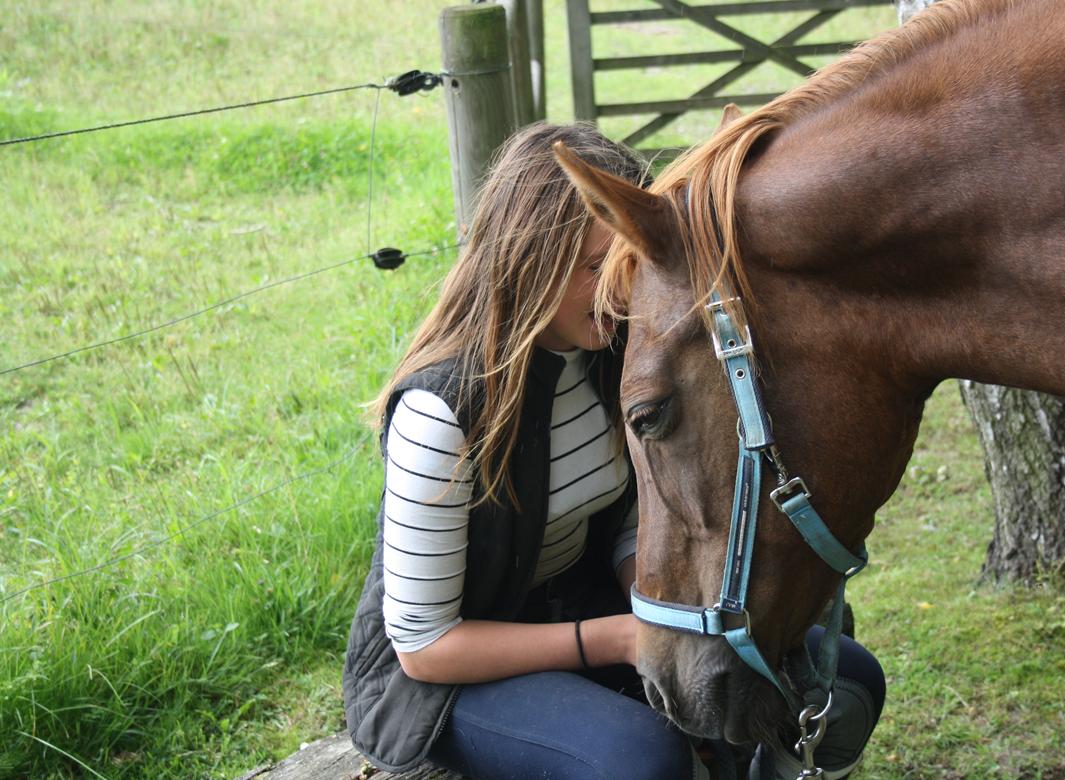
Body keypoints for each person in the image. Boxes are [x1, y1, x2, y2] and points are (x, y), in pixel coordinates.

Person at [342, 122, 885, 780]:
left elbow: (634, 523)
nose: (619, 291)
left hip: (587, 605)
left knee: (843, 676)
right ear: (527, 263)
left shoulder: (614, 357)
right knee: (637, 759)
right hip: (448, 679)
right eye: (595, 266)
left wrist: (671, 614)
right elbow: (425, 647)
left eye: (628, 264)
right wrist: (627, 637)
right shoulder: (441, 412)